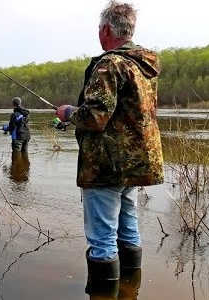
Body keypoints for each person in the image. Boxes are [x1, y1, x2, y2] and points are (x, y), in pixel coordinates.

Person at [55, 0, 164, 295]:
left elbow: (95, 116)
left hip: (107, 165)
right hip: (136, 163)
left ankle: (104, 293)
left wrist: (67, 113)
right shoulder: (145, 66)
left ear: (105, 30)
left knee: (102, 238)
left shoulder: (110, 63)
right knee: (128, 228)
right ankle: (130, 289)